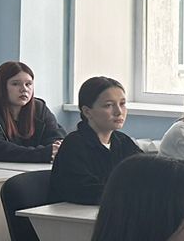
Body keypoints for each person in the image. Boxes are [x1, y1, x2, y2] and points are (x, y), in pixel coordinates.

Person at [50, 77, 140, 205]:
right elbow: (87, 191)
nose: (119, 112)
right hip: (73, 214)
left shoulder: (123, 141)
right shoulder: (74, 145)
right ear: (87, 112)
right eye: (108, 105)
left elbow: (145, 172)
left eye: (122, 104)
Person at [0, 61, 65, 164]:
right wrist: (42, 154)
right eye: (15, 84)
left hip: (33, 168)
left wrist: (54, 150)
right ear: (1, 87)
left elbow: (56, 137)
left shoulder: (39, 108)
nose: (24, 89)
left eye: (28, 84)